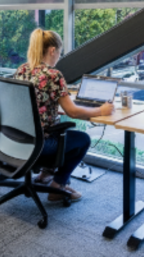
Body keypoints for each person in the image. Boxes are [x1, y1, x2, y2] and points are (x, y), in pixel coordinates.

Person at [14, 29, 114, 202]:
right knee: (82, 139)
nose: (59, 56)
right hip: (41, 143)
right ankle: (57, 187)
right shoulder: (53, 75)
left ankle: (46, 174)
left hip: (18, 138)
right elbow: (72, 112)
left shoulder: (22, 69)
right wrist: (101, 111)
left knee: (60, 133)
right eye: (59, 52)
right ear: (52, 50)